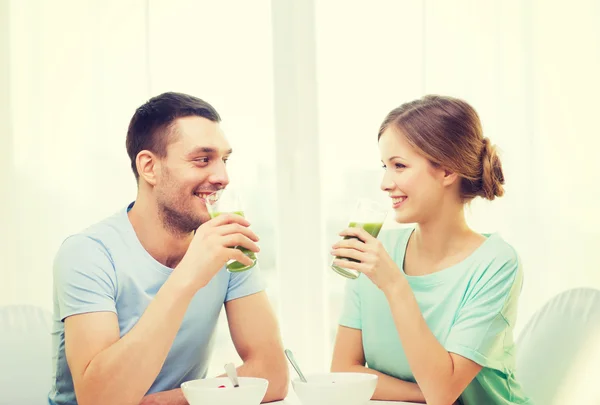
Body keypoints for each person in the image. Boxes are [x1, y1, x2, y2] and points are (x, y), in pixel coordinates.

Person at [48, 92, 289, 405]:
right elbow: (99, 399)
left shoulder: (227, 245)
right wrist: (188, 276)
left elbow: (272, 375)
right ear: (149, 167)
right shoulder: (87, 254)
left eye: (224, 160)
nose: (222, 177)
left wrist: (174, 400)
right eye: (203, 159)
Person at [330, 95, 532, 405]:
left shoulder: (496, 264)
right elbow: (344, 372)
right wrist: (423, 394)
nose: (385, 183)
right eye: (385, 166)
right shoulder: (376, 253)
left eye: (399, 166)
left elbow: (442, 391)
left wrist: (395, 284)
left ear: (448, 171)